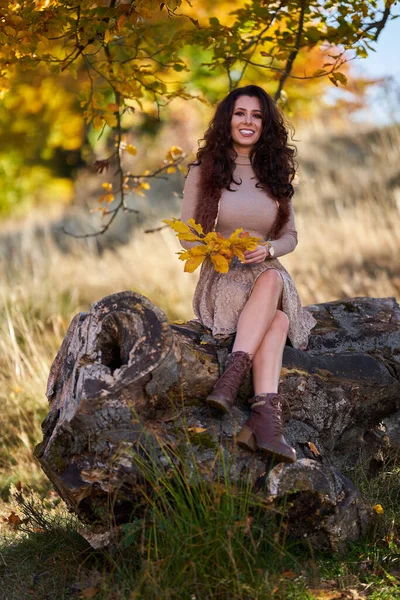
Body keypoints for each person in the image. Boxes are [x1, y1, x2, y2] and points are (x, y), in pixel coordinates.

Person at [180, 85, 316, 464]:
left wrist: (269, 249)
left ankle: (242, 394)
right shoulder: (203, 171)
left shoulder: (275, 173)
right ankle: (264, 420)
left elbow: (290, 236)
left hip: (266, 271)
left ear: (265, 125)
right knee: (278, 318)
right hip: (223, 276)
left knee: (274, 287)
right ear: (228, 120)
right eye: (241, 113)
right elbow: (189, 234)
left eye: (256, 116)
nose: (248, 121)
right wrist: (218, 249)